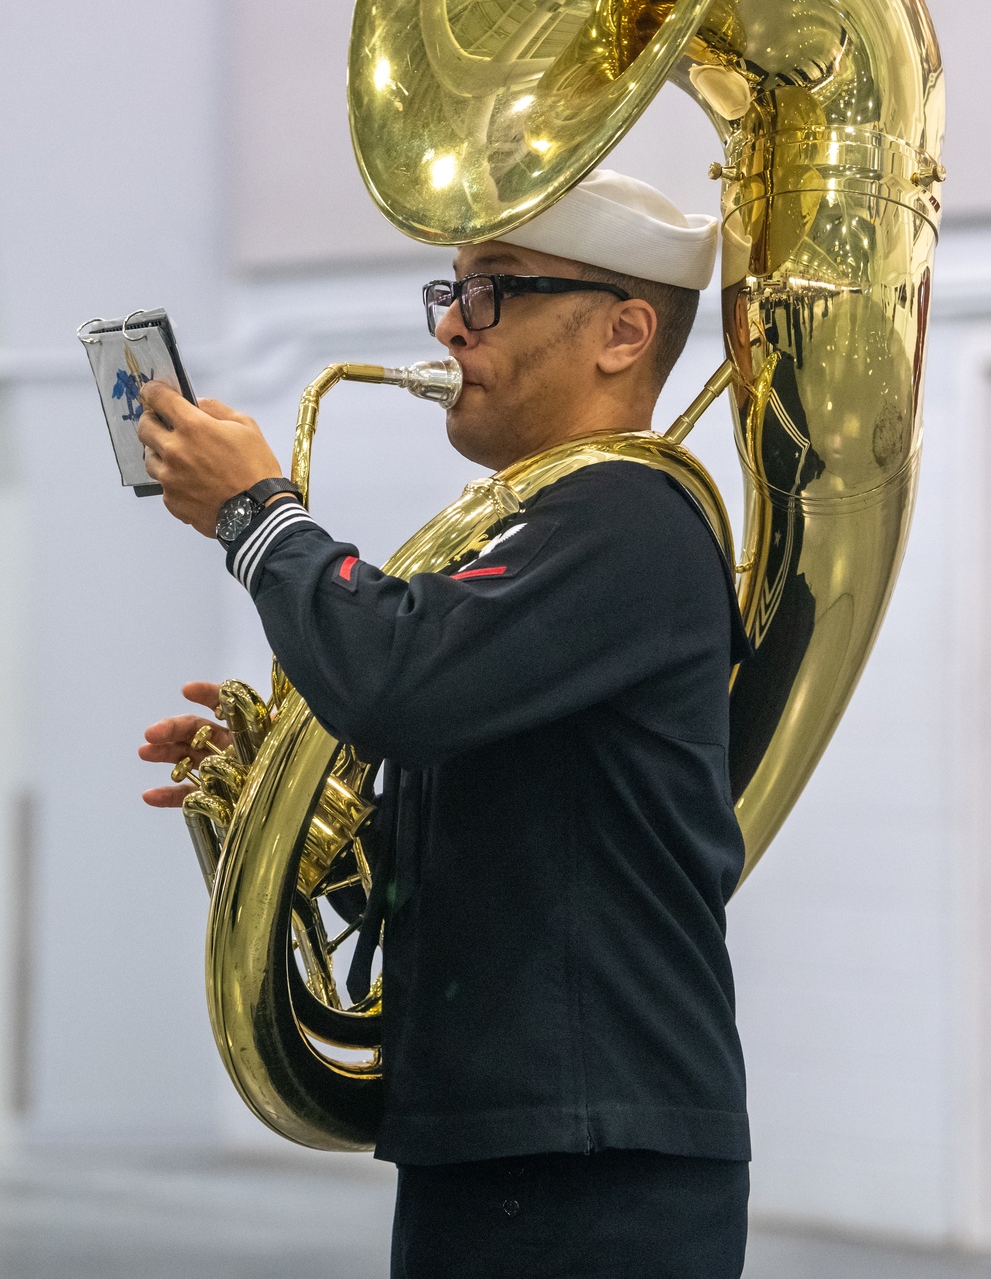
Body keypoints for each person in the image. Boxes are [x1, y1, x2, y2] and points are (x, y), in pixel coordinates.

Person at [137, 168, 752, 1279]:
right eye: (450, 292)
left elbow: (397, 680)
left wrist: (259, 516)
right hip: (523, 1141)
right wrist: (284, 805)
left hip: (587, 1162)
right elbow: (494, 838)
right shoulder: (554, 527)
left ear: (623, 333)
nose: (448, 327)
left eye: (489, 293)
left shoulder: (626, 515)